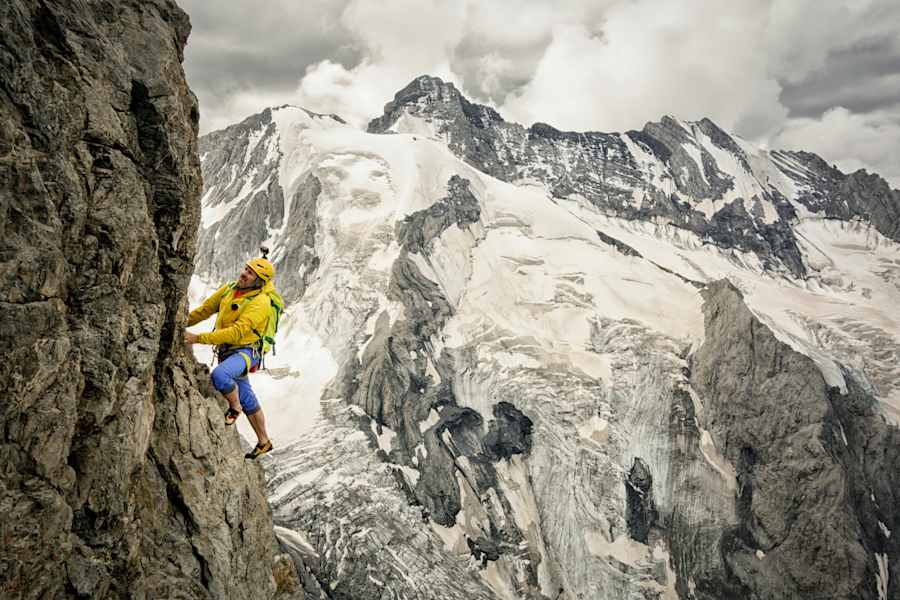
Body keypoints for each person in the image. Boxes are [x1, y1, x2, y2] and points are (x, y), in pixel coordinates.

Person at [185, 254, 276, 459]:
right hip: (229, 351)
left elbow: (236, 332)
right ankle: (264, 442)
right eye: (246, 269)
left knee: (220, 376)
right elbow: (206, 310)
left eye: (250, 273)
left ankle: (234, 408)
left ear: (259, 281)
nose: (244, 273)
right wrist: (182, 321)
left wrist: (197, 338)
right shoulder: (230, 289)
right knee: (245, 394)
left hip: (246, 352)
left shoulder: (261, 302)